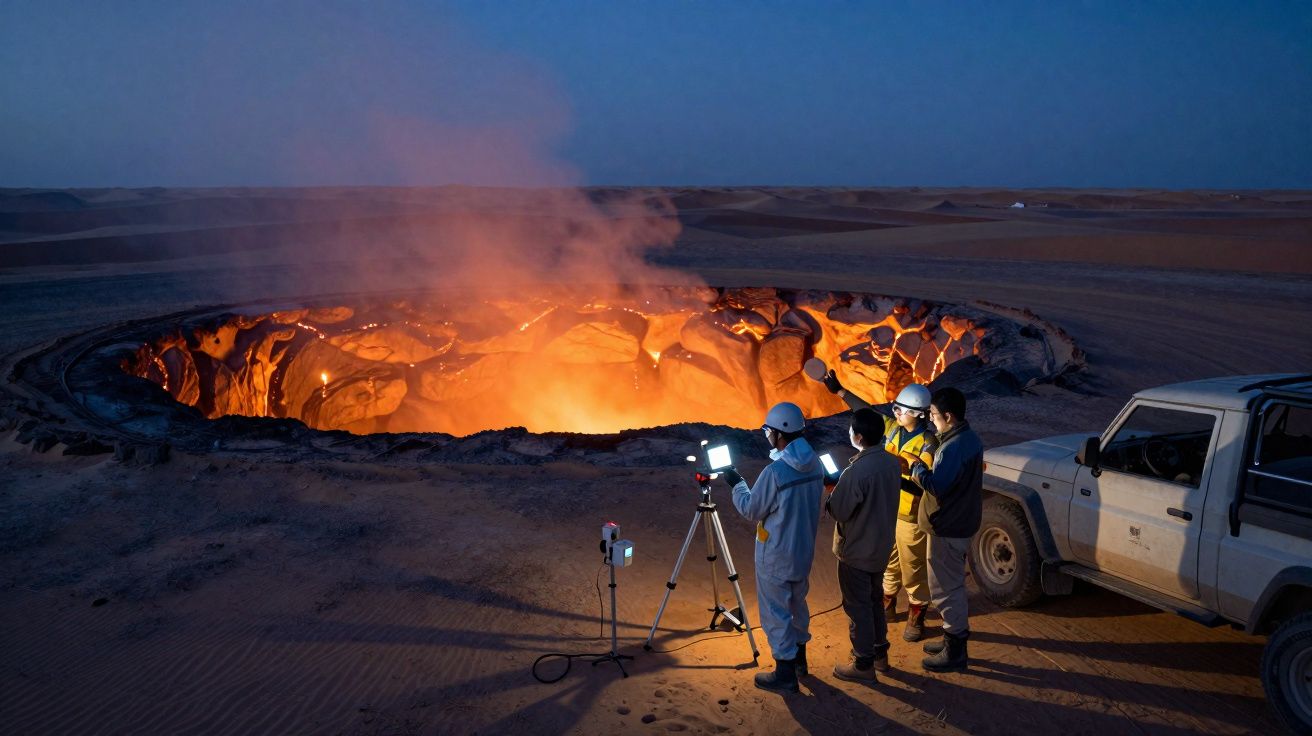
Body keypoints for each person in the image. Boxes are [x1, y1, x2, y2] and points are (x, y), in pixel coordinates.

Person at [823, 371, 938, 641]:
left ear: (920, 414)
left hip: (909, 515)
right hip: (888, 512)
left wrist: (892, 474)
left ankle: (917, 611)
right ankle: (887, 602)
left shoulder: (929, 444)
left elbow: (925, 484)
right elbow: (868, 414)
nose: (896, 412)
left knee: (913, 565)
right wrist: (840, 391)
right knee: (889, 560)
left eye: (902, 409)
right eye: (895, 408)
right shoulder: (894, 429)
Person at [722, 402, 825, 694]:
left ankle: (785, 673)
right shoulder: (814, 462)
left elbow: (752, 509)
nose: (767, 434)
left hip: (777, 556)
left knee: (775, 612)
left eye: (768, 430)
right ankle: (800, 661)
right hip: (802, 552)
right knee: (797, 605)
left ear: (779, 433)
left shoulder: (776, 472)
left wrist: (737, 484)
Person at [909, 387, 983, 672]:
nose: (931, 418)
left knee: (946, 588)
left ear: (948, 416)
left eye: (934, 414)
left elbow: (938, 485)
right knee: (950, 584)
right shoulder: (969, 438)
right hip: (960, 522)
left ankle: (955, 650)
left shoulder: (953, 447)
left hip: (949, 527)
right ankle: (950, 639)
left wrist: (918, 472)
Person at [825, 407, 902, 682]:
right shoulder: (892, 463)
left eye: (850, 430)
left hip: (856, 551)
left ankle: (863, 665)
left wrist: (831, 493)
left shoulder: (856, 471)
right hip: (881, 548)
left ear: (858, 436)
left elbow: (840, 511)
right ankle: (880, 656)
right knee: (874, 603)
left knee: (857, 607)